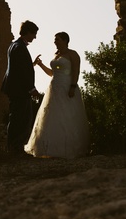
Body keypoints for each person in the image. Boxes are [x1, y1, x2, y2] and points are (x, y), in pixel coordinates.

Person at [25, 31, 90, 159]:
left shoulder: (73, 54)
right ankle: (50, 148)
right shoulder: (56, 55)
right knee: (52, 116)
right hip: (54, 88)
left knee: (67, 115)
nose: (55, 42)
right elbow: (52, 73)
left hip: (67, 87)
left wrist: (72, 86)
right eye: (55, 40)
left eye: (57, 39)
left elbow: (76, 71)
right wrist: (40, 64)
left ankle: (69, 149)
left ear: (65, 40)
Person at [1, 20, 40, 154]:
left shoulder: (14, 45)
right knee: (22, 118)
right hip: (20, 90)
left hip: (15, 88)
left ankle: (13, 147)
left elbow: (21, 67)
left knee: (17, 117)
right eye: (34, 34)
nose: (34, 37)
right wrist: (32, 88)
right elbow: (21, 72)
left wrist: (32, 64)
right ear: (28, 32)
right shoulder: (19, 47)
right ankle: (16, 148)